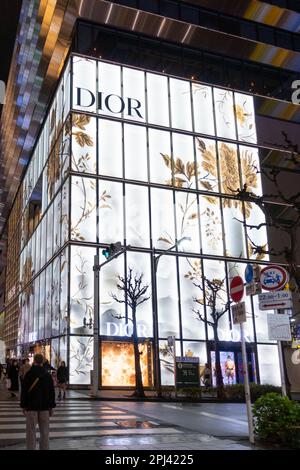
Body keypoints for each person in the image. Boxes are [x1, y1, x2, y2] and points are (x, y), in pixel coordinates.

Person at [20, 353, 56, 450]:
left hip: (31, 407)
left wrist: (23, 405)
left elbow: (24, 391)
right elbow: (51, 392)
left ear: (34, 361)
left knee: (31, 432)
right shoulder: (47, 375)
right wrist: (51, 406)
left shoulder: (29, 374)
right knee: (45, 432)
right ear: (43, 361)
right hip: (44, 407)